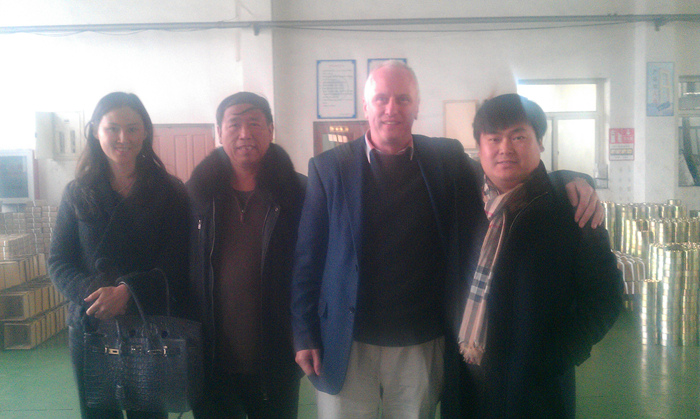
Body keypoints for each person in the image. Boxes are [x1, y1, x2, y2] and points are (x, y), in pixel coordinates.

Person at [291, 61, 602, 419]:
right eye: (381, 99)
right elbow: (308, 258)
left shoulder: (444, 159)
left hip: (420, 341)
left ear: (417, 107)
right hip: (347, 341)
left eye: (403, 99)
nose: (391, 108)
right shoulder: (329, 168)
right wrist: (304, 333)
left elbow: (507, 172)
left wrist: (570, 180)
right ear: (366, 106)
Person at [442, 93, 623, 418]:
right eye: (493, 138)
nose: (505, 148)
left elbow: (605, 296)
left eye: (518, 137)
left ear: (539, 142)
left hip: (537, 391)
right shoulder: (464, 204)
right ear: (479, 147)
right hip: (467, 384)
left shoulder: (571, 210)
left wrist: (559, 354)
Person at [49, 92, 190, 419]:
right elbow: (58, 261)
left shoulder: (170, 191)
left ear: (145, 132)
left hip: (148, 324)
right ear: (95, 131)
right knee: (98, 411)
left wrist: (128, 292)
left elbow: (178, 261)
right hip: (91, 323)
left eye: (133, 128)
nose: (123, 138)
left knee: (149, 413)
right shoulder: (77, 192)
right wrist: (97, 295)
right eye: (113, 128)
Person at [186, 92, 306, 418]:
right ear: (218, 132)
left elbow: (314, 270)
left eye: (254, 123)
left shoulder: (299, 193)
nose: (245, 134)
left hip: (277, 355)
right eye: (234, 125)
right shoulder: (197, 196)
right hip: (211, 357)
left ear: (271, 129)